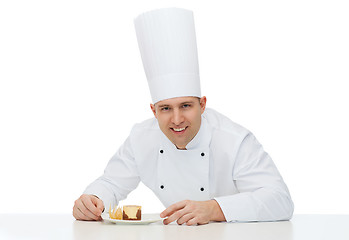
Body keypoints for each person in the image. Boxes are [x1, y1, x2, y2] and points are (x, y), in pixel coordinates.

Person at [73, 8, 294, 225]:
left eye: (186, 106)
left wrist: (214, 208)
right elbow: (111, 183)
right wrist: (93, 199)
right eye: (166, 108)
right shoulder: (141, 137)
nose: (177, 119)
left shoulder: (234, 140)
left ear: (202, 104)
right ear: (153, 111)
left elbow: (280, 200)